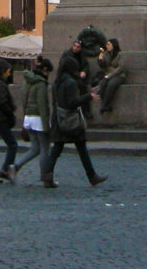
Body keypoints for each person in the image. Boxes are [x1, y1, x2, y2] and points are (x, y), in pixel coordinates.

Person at [42, 52, 106, 189]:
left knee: (57, 149)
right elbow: (72, 103)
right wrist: (88, 97)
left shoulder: (57, 82)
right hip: (70, 119)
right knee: (81, 148)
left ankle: (47, 175)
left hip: (59, 118)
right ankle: (92, 176)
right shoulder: (70, 83)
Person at [14, 56, 52, 180]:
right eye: (48, 72)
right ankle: (45, 176)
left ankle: (15, 167)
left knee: (35, 148)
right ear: (44, 70)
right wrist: (46, 126)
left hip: (28, 118)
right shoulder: (41, 83)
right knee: (44, 148)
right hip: (38, 119)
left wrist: (25, 116)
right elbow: (42, 105)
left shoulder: (27, 81)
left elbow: (23, 99)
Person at [96, 39, 128, 114]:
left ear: (114, 45)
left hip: (118, 75)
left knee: (111, 84)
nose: (107, 46)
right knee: (102, 84)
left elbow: (121, 68)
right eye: (106, 44)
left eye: (109, 44)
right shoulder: (106, 54)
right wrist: (100, 60)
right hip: (107, 75)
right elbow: (103, 65)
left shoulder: (120, 54)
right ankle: (106, 105)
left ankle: (103, 106)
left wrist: (110, 75)